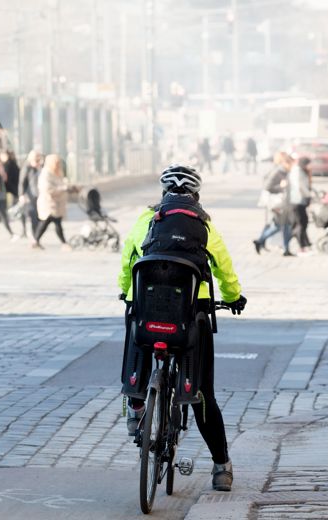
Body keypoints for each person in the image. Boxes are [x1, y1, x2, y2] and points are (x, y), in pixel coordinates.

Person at [118, 164, 247, 492]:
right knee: (203, 393)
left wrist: (125, 291)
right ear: (196, 195)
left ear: (163, 193)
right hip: (192, 314)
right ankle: (221, 466)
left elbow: (128, 260)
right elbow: (225, 269)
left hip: (147, 308)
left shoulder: (147, 220)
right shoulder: (204, 226)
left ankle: (136, 406)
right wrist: (233, 297)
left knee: (139, 339)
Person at [253, 152, 293, 255]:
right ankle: (261, 241)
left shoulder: (284, 172)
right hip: (277, 204)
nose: (291, 166)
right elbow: (267, 187)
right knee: (281, 226)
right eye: (290, 164)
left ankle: (285, 249)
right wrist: (282, 187)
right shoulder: (278, 172)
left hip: (283, 204)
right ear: (285, 163)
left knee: (283, 226)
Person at [33, 154, 73, 250]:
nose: (57, 165)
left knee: (49, 223)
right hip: (48, 203)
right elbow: (47, 189)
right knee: (50, 222)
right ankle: (63, 243)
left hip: (56, 204)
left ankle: (36, 241)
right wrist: (62, 188)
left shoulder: (57, 172)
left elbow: (61, 182)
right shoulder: (45, 173)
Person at [287, 156, 312, 254]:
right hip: (297, 200)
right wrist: (309, 195)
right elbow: (300, 186)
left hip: (300, 200)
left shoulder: (301, 170)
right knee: (300, 223)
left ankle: (304, 244)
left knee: (303, 222)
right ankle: (301, 246)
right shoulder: (297, 171)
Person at [19, 150, 44, 237]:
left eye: (39, 160)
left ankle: (36, 236)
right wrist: (21, 194)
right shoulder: (27, 167)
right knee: (33, 215)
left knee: (39, 216)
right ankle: (35, 236)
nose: (38, 162)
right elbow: (22, 182)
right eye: (36, 160)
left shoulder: (40, 167)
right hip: (30, 195)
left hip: (40, 195)